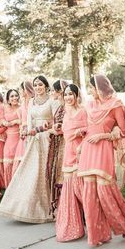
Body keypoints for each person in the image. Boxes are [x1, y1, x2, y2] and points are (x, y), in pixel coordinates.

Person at [77, 74, 125, 247]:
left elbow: (123, 130)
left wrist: (103, 135)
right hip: (88, 149)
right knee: (89, 194)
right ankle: (96, 235)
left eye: (92, 88)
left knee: (105, 193)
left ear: (100, 88)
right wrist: (82, 140)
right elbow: (90, 128)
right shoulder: (90, 105)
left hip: (103, 148)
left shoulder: (115, 105)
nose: (90, 91)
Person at [0, 75, 60, 223]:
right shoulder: (31, 101)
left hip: (48, 138)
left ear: (46, 86)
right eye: (36, 85)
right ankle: (23, 208)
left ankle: (48, 207)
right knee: (30, 171)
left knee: (45, 171)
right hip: (33, 139)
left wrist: (43, 130)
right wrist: (28, 134)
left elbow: (57, 122)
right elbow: (28, 121)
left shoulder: (53, 101)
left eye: (40, 85)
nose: (38, 87)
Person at [56, 83, 87, 242]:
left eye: (71, 94)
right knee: (69, 193)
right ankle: (72, 227)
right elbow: (65, 131)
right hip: (68, 152)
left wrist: (79, 132)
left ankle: (96, 220)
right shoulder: (66, 112)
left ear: (76, 96)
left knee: (81, 190)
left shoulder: (83, 111)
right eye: (66, 94)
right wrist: (58, 128)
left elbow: (89, 130)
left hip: (80, 153)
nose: (68, 97)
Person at [47, 79, 68, 214]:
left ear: (60, 92)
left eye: (54, 90)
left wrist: (50, 131)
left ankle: (66, 206)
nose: (52, 93)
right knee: (56, 173)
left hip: (65, 143)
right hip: (58, 143)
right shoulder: (60, 106)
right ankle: (61, 206)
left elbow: (62, 128)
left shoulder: (66, 107)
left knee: (62, 174)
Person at [12, 81, 34, 175]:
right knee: (20, 158)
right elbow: (22, 120)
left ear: (26, 89)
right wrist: (21, 128)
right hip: (23, 134)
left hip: (32, 132)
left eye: (21, 89)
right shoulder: (22, 103)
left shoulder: (33, 101)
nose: (20, 91)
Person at [2, 89, 20, 188]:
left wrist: (16, 121)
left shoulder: (22, 108)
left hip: (19, 139)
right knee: (7, 165)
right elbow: (1, 120)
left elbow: (26, 120)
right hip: (9, 140)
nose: (14, 98)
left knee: (17, 166)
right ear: (8, 99)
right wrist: (4, 122)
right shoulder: (5, 109)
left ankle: (17, 190)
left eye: (16, 95)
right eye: (12, 96)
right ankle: (9, 189)